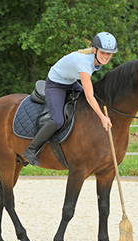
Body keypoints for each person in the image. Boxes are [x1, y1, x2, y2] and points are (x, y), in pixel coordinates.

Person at [23, 32, 117, 165]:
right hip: (55, 84)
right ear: (95, 50)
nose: (106, 56)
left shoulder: (96, 59)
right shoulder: (84, 62)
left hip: (70, 82)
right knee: (58, 120)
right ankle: (30, 150)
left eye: (109, 53)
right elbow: (89, 96)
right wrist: (102, 117)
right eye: (103, 52)